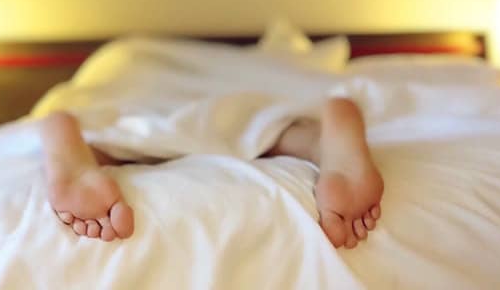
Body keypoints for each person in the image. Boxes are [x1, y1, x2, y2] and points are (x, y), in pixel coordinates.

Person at [40, 96, 384, 250]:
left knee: (121, 134)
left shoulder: (130, 65)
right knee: (273, 130)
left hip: (134, 108)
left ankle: (73, 144)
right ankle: (322, 140)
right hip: (251, 103)